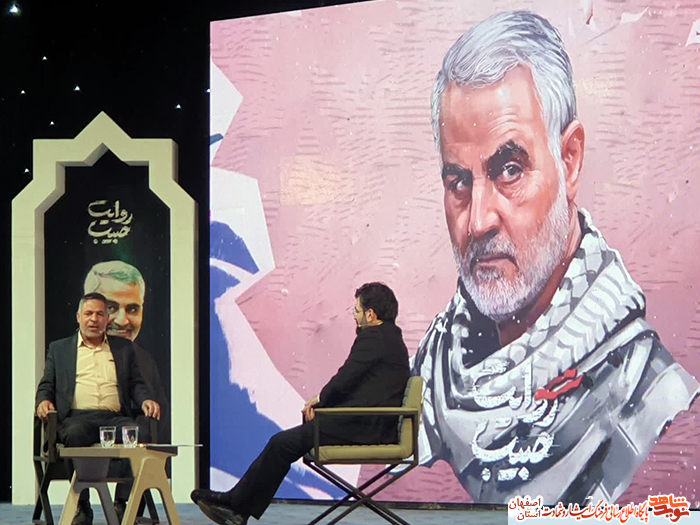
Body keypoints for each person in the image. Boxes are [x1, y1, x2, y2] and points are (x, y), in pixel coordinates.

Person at [412, 10, 699, 505]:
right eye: (458, 181)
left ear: (570, 161)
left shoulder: (650, 400)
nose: (477, 220)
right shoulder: (431, 375)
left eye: (509, 169)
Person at [191, 282, 410, 525]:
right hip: (370, 425)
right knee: (283, 444)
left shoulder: (374, 338)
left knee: (281, 444)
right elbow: (358, 387)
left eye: (357, 311)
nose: (354, 317)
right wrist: (324, 407)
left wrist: (321, 402)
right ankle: (237, 506)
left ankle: (236, 506)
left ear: (371, 315)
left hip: (365, 428)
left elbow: (345, 380)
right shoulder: (391, 339)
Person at [36, 292, 161, 524]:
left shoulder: (123, 348)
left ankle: (124, 503)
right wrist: (43, 401)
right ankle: (82, 505)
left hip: (114, 418)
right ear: (79, 317)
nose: (93, 319)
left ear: (107, 318)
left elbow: (136, 384)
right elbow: (46, 385)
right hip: (77, 418)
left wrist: (145, 400)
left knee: (140, 433)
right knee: (74, 434)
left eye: (99, 314)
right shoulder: (59, 349)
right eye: (88, 313)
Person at [84, 260, 170, 442]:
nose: (122, 321)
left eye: (132, 309)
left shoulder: (147, 362)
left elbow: (160, 434)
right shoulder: (69, 354)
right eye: (111, 308)